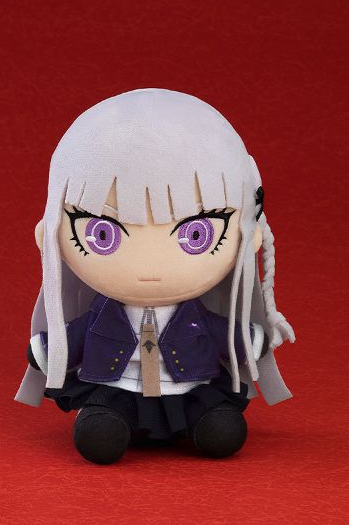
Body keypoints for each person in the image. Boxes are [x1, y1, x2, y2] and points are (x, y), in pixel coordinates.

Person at [15, 88, 295, 464]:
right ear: (49, 236)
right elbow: (75, 336)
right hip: (117, 389)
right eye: (102, 234)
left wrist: (253, 340)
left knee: (222, 429)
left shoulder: (195, 317)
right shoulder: (103, 316)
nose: (149, 266)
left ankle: (204, 424)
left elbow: (223, 333)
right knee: (100, 432)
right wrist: (45, 351)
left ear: (250, 237)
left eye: (197, 234)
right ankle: (107, 423)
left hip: (190, 388)